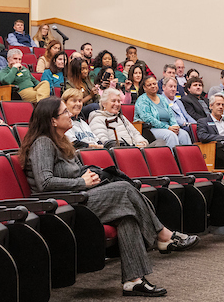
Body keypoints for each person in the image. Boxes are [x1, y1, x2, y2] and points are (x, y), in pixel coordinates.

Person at [20, 97, 199, 297]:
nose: (70, 114)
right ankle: (163, 235)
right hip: (62, 206)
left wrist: (89, 175)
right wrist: (82, 182)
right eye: (64, 112)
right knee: (124, 189)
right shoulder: (43, 143)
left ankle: (134, 281)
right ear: (52, 121)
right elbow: (44, 184)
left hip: (78, 197)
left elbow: (73, 172)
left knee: (126, 216)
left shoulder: (61, 141)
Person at [88, 88, 165, 148]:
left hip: (135, 148)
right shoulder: (97, 119)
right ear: (104, 104)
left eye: (118, 101)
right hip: (119, 152)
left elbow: (136, 134)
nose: (117, 104)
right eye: (113, 101)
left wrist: (142, 142)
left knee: (160, 143)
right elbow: (104, 142)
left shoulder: (121, 117)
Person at [135, 76, 192, 150]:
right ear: (144, 88)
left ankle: (187, 160)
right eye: (149, 85)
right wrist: (167, 127)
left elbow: (171, 114)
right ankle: (171, 160)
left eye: (154, 84)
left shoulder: (162, 98)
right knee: (170, 135)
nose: (153, 86)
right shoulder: (142, 100)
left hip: (168, 127)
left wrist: (175, 125)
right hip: (151, 129)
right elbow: (148, 119)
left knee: (184, 134)